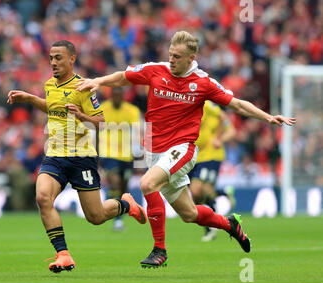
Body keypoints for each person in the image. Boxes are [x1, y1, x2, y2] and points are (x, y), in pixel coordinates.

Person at [76, 30, 296, 268]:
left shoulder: (203, 83)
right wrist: (98, 81)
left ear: (191, 58)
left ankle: (159, 250)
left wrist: (268, 117)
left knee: (147, 184)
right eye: (170, 54)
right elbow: (123, 77)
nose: (171, 60)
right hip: (154, 151)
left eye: (177, 57)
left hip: (182, 149)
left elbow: (237, 105)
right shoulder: (156, 70)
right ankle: (229, 224)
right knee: (189, 214)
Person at [6, 40, 147, 273]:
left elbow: (101, 123)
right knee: (43, 198)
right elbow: (53, 108)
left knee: (96, 216)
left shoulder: (83, 87)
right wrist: (31, 99)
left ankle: (126, 204)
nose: (53, 62)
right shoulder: (50, 85)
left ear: (72, 59)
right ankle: (63, 254)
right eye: (51, 58)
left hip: (82, 157)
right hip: (55, 156)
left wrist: (81, 115)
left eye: (58, 57)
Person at [189, 100, 236, 242]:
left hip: (211, 156)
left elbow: (228, 124)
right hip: (194, 157)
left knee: (198, 190)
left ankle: (212, 225)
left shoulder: (207, 104)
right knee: (202, 193)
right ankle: (224, 194)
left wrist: (219, 139)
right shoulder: (185, 103)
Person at [99, 87, 142, 231]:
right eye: (114, 94)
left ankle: (117, 214)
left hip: (126, 154)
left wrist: (139, 151)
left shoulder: (131, 110)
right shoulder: (103, 108)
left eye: (119, 94)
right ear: (111, 95)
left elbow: (137, 131)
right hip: (108, 152)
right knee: (115, 182)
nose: (117, 97)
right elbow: (96, 129)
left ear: (123, 95)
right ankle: (115, 219)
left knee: (123, 187)